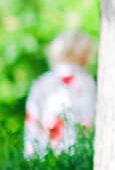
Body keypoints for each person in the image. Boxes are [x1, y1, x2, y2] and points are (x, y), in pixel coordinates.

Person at [23, 28, 98, 158]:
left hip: (46, 157)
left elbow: (32, 124)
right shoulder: (88, 84)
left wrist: (31, 159)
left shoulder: (41, 83)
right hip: (81, 158)